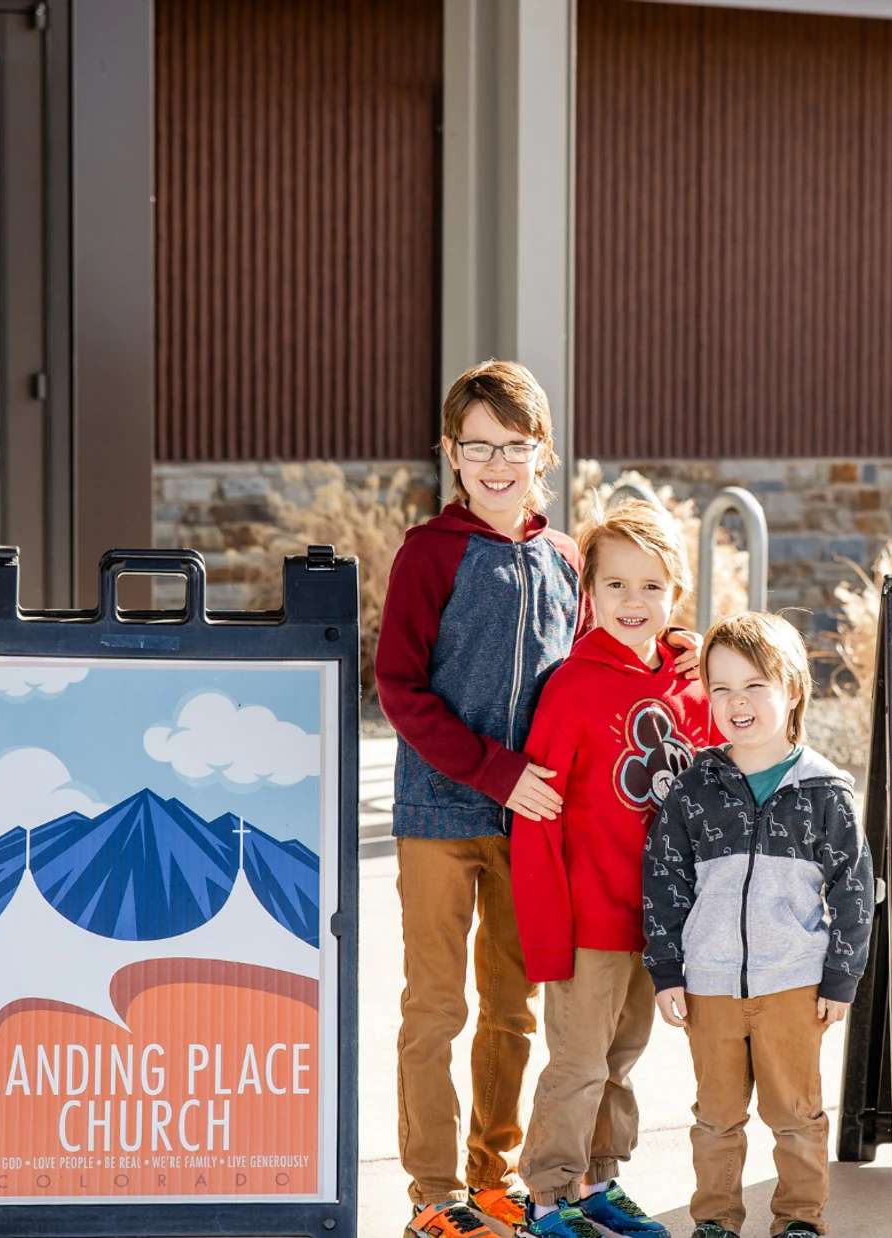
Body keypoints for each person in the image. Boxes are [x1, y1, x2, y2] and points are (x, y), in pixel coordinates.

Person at [377, 359, 580, 1238]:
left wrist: (674, 647)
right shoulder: (430, 554)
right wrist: (494, 771)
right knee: (436, 1007)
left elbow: (594, 656)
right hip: (440, 817)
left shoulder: (566, 557)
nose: (495, 464)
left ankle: (491, 1177)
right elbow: (398, 686)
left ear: (544, 452)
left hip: (533, 826)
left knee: (512, 1006)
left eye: (514, 446)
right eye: (476, 447)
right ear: (451, 454)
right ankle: (433, 1193)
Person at [507, 501, 719, 1238]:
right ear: (588, 594)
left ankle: (600, 1179)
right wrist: (544, 927)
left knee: (624, 1056)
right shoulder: (571, 687)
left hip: (662, 922)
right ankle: (544, 1197)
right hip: (589, 916)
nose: (635, 603)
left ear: (676, 594)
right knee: (577, 1063)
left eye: (653, 586)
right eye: (618, 586)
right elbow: (536, 819)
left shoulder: (694, 685)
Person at [640, 611, 875, 1238]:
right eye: (721, 688)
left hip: (793, 985)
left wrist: (840, 979)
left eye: (754, 687)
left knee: (795, 1114)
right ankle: (715, 1221)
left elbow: (853, 890)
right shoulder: (695, 788)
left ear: (792, 689)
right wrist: (666, 970)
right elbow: (664, 882)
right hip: (709, 983)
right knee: (715, 1116)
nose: (736, 703)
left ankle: (800, 1219)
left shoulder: (825, 791)